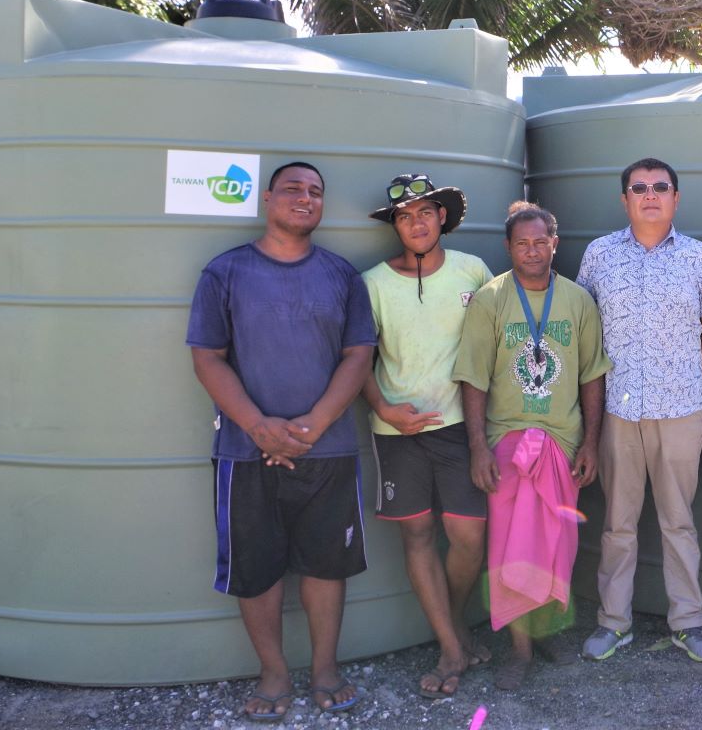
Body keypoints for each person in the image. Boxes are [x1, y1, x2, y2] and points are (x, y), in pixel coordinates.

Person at [187, 161, 375, 722]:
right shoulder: (225, 273)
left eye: (315, 191)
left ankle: (324, 669)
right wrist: (258, 425)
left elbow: (358, 356)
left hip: (330, 448)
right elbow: (206, 357)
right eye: (292, 188)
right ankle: (273, 673)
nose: (304, 198)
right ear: (267, 198)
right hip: (246, 451)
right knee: (257, 567)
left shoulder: (343, 276)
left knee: (326, 565)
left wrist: (313, 425)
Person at [576, 157, 702, 663]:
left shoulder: (698, 258)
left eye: (660, 187)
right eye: (638, 188)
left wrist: (683, 371)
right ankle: (613, 623)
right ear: (624, 199)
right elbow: (585, 329)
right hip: (618, 410)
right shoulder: (599, 255)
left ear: (675, 198)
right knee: (618, 523)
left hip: (680, 408)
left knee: (679, 522)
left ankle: (688, 623)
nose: (650, 195)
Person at [453, 202, 611, 690]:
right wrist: (479, 448)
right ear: (508, 247)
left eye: (541, 241)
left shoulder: (578, 301)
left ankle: (546, 633)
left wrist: (590, 442)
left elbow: (591, 377)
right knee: (511, 551)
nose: (532, 250)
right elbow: (473, 381)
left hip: (562, 445)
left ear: (555, 244)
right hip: (508, 445)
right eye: (522, 242)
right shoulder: (490, 299)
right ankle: (518, 649)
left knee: (556, 548)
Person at [361, 173, 493, 698]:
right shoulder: (372, 282)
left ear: (442, 218)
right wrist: (385, 409)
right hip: (396, 433)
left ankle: (454, 623)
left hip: (461, 429)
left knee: (468, 538)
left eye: (424, 213)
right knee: (416, 537)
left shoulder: (474, 271)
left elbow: (495, 347)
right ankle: (450, 645)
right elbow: (358, 360)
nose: (415, 223)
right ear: (394, 225)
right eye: (403, 216)